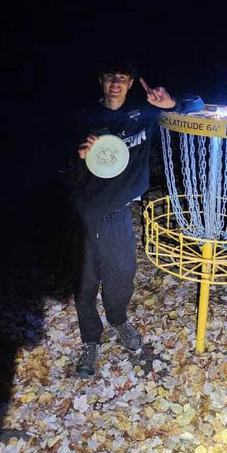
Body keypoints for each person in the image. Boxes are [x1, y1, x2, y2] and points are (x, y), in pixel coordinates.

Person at [59, 60, 204, 378]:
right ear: (101, 80)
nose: (115, 83)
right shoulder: (83, 117)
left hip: (118, 210)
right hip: (85, 210)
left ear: (130, 83)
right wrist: (78, 156)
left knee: (122, 277)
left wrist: (170, 103)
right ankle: (90, 340)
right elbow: (63, 171)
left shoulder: (142, 113)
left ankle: (118, 319)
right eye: (110, 77)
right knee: (85, 282)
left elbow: (197, 105)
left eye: (122, 78)